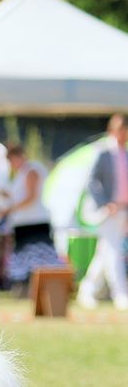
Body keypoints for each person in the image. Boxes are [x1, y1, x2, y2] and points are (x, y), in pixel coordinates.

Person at [77, 113, 128, 311]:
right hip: (108, 210)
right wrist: (105, 203)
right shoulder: (104, 153)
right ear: (112, 131)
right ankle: (121, 294)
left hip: (123, 210)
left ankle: (87, 290)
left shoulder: (126, 154)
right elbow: (92, 181)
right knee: (113, 250)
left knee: (105, 251)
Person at [0, 142, 59, 296]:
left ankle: (44, 292)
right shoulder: (20, 173)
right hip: (23, 224)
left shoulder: (31, 170)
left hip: (34, 223)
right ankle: (26, 291)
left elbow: (31, 197)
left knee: (40, 260)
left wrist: (9, 209)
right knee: (24, 261)